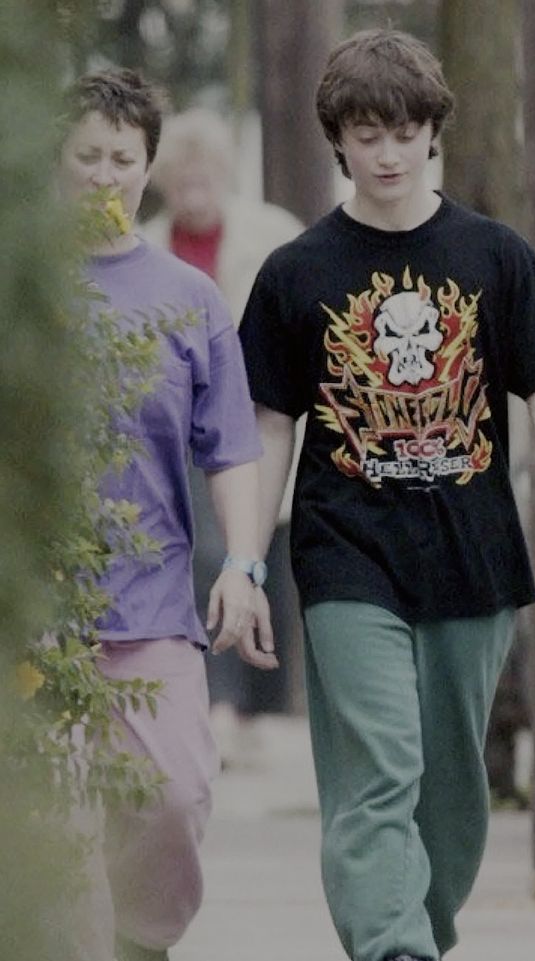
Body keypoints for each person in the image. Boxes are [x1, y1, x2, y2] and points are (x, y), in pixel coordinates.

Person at [239, 28, 535, 961]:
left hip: (470, 555)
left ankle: (416, 935)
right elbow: (272, 423)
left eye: (403, 131)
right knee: (378, 771)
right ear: (338, 141)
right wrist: (246, 559)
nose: (388, 152)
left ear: (433, 131)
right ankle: (393, 948)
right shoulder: (297, 273)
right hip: (344, 551)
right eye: (367, 134)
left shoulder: (493, 255)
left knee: (451, 792)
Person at [57, 69, 276, 961]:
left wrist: (243, 564)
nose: (104, 174)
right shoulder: (23, 288)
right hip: (40, 616)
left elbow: (230, 448)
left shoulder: (188, 300)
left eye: (123, 157)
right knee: (60, 827)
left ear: (146, 168)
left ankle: (143, 941)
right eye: (87, 156)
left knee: (175, 795)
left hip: (151, 605)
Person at [142, 108, 304, 765]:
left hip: (256, 421)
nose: (194, 188)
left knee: (259, 556)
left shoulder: (271, 233)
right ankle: (220, 706)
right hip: (178, 432)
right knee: (208, 558)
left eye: (205, 174)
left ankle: (253, 705)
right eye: (183, 176)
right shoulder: (145, 242)